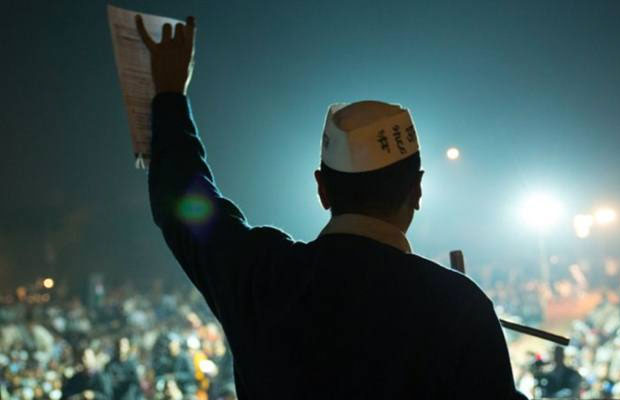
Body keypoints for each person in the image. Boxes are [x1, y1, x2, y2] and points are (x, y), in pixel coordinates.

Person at [136, 14, 528, 399]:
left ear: (322, 189)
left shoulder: (264, 278)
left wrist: (170, 95)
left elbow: (183, 202)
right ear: (418, 190)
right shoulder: (458, 306)